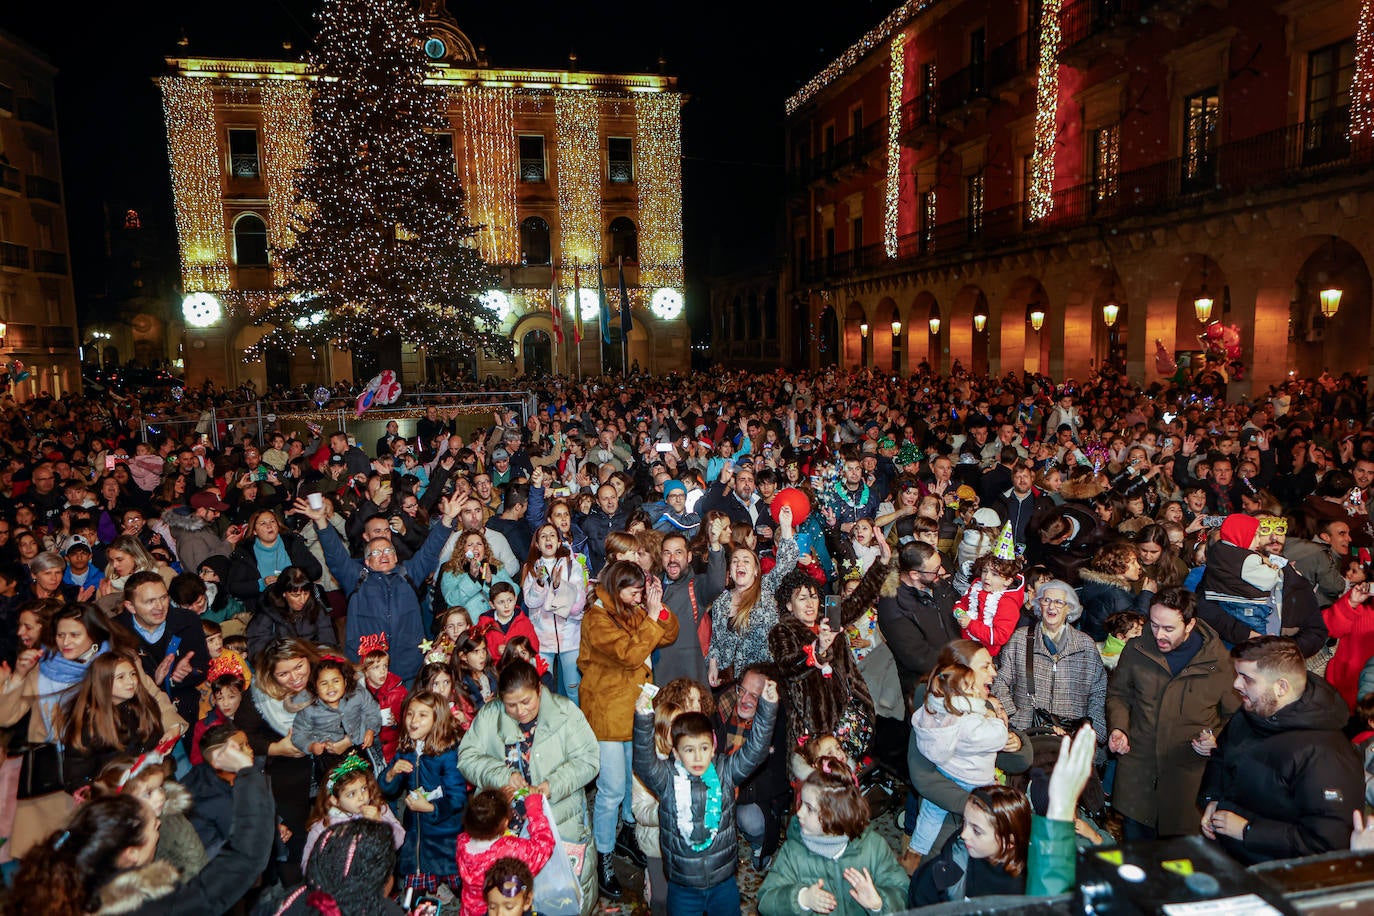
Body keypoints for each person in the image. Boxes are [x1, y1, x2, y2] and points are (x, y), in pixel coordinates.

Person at [8, 737, 272, 915]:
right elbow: (243, 860)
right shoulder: (141, 906)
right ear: (130, 853)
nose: (158, 821)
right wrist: (246, 771)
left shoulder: (73, 883)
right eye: (153, 828)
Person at [1199, 636, 1362, 864]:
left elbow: (1328, 841)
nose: (1236, 684)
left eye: (1247, 678)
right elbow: (1221, 757)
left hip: (1276, 879)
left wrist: (1248, 831)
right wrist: (1212, 799)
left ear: (1281, 687)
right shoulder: (1251, 714)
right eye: (1238, 675)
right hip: (1229, 860)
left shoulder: (1325, 754)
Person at [457, 660, 600, 914]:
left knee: (556, 898)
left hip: (557, 819)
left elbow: (588, 759)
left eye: (526, 702)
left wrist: (551, 784)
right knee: (506, 901)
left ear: (539, 690)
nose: (520, 711)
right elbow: (467, 757)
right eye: (511, 705)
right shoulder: (491, 716)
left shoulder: (565, 712)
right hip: (503, 830)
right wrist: (501, 775)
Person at [632, 677, 781, 916]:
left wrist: (767, 708)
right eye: (689, 750)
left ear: (713, 748)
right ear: (676, 753)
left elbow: (755, 750)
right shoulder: (667, 780)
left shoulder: (725, 771)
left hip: (723, 882)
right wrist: (643, 717)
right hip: (683, 885)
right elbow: (643, 761)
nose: (698, 757)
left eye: (703, 748)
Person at [0, 604, 139, 858]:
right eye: (60, 635)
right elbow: (6, 716)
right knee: (48, 862)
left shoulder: (114, 663)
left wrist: (173, 724)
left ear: (94, 634)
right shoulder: (40, 665)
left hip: (99, 770)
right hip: (50, 778)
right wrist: (18, 676)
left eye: (74, 635)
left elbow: (150, 696)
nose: (65, 642)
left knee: (98, 856)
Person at [578, 559, 679, 897]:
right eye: (635, 590)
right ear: (617, 587)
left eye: (641, 591)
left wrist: (657, 606)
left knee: (632, 784)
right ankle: (602, 856)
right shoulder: (597, 617)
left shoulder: (630, 609)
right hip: (608, 714)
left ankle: (627, 836)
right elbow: (630, 654)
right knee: (610, 791)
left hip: (635, 711)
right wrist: (649, 617)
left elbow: (669, 633)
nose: (639, 596)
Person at [1106, 586, 1239, 839]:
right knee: (1137, 862)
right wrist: (1119, 727)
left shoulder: (1219, 663)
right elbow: (1118, 695)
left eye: (1169, 628)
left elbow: (1235, 717)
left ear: (1190, 625)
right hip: (1139, 776)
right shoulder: (1136, 650)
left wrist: (1216, 740)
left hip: (1188, 785)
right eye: (1155, 625)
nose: (1159, 635)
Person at [298, 492, 461, 682]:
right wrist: (321, 523)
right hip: (368, 671)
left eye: (388, 550)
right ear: (367, 560)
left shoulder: (408, 574)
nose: (383, 555)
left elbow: (429, 551)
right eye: (375, 552)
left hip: (408, 669)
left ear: (395, 555)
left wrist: (447, 518)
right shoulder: (356, 578)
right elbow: (335, 555)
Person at [755, 758, 908, 916]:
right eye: (801, 804)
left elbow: (902, 891)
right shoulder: (793, 852)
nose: (799, 813)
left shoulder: (873, 847)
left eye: (809, 808)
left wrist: (878, 904)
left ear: (834, 814)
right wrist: (802, 898)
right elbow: (766, 901)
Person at [768, 566, 878, 754]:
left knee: (850, 773)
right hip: (814, 727)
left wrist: (882, 564)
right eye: (802, 598)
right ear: (788, 605)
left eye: (813, 596)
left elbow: (859, 601)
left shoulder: (829, 622)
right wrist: (817, 650)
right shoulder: (782, 632)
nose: (810, 604)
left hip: (851, 716)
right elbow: (789, 665)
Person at [991, 579, 1107, 746]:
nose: (1052, 607)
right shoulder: (1020, 639)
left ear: (1070, 608)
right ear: (1039, 605)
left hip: (1071, 737)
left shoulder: (1085, 645)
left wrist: (1092, 732)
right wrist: (1013, 718)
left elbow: (1098, 691)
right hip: (1025, 735)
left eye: (1059, 602)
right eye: (1046, 600)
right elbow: (1000, 681)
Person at [58, 651, 185, 793]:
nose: (131, 681)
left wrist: (161, 753)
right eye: (121, 677)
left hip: (156, 785)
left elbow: (154, 748)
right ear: (103, 682)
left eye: (133, 674)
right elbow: (75, 780)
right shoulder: (88, 723)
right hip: (117, 798)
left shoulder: (145, 704)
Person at [707, 503, 797, 686]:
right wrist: (713, 665)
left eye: (746, 561)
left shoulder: (766, 588)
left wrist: (786, 527)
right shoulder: (721, 600)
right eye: (735, 562)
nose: (740, 565)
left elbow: (786, 563)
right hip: (731, 681)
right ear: (729, 570)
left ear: (756, 570)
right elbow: (715, 640)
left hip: (764, 679)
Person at [908, 784, 1033, 906]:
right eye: (965, 822)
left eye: (977, 831)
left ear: (1009, 841)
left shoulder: (1034, 880)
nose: (964, 834)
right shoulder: (946, 869)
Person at [877, 541, 962, 714]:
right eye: (935, 570)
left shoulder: (938, 584)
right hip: (929, 688)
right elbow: (918, 658)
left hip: (957, 676)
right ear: (914, 574)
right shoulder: (893, 606)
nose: (943, 572)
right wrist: (958, 669)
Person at [115, 570, 209, 726]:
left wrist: (188, 672)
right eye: (149, 601)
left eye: (163, 598)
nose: (159, 607)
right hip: (139, 715)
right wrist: (153, 680)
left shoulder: (187, 620)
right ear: (130, 606)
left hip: (185, 708)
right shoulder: (115, 632)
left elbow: (202, 665)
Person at [455, 789, 555, 916]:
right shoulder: (509, 850)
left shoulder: (462, 843)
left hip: (470, 910)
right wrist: (534, 807)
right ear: (505, 822)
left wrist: (494, 804)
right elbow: (544, 846)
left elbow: (480, 819)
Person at [519, 522, 588, 703]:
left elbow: (578, 601)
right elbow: (530, 601)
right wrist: (541, 584)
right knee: (544, 690)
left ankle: (575, 726)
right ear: (537, 544)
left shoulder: (573, 565)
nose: (548, 539)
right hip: (542, 639)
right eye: (543, 536)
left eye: (552, 535)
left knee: (574, 689)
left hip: (570, 637)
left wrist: (558, 587)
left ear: (559, 542)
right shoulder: (531, 568)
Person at [656, 523, 728, 686]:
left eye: (678, 553)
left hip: (686, 676)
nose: (672, 559)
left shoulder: (696, 586)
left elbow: (716, 584)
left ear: (689, 557)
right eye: (667, 553)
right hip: (656, 676)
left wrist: (715, 546)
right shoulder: (654, 585)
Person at [244, 566, 334, 660]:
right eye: (296, 595)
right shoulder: (268, 611)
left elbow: (328, 640)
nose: (302, 600)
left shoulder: (316, 608)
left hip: (313, 661)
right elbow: (257, 650)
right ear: (284, 593)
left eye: (306, 593)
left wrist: (323, 656)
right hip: (281, 664)